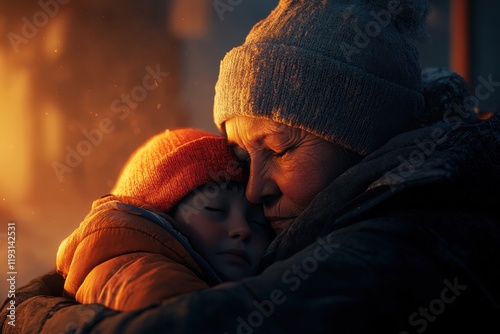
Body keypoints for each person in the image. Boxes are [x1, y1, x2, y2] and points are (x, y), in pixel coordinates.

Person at [2, 0, 500, 333]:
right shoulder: (345, 221)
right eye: (243, 156)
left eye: (280, 150)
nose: (254, 189)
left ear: (364, 143)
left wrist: (21, 312)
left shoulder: (403, 248)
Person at [55, 128, 273, 311]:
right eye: (215, 209)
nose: (243, 229)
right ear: (161, 216)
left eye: (258, 222)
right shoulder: (145, 275)